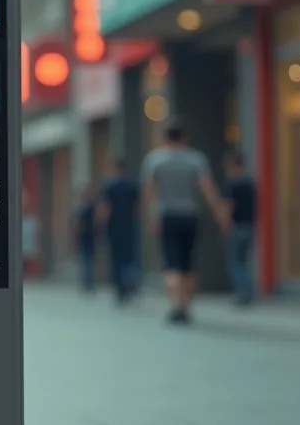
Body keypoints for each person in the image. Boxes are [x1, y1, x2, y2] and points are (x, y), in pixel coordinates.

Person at [140, 121, 230, 324]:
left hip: (167, 216)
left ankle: (176, 305)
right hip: (190, 216)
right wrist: (220, 212)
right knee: (188, 264)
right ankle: (186, 306)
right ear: (185, 136)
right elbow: (207, 189)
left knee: (172, 264)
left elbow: (149, 191)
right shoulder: (196, 159)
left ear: (165, 137)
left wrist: (150, 216)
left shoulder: (155, 160)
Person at [97, 158, 140, 302]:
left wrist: (101, 224)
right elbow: (137, 208)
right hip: (129, 226)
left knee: (116, 258)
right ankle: (131, 283)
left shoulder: (109, 186)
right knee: (130, 257)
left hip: (114, 227)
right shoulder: (132, 185)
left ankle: (120, 287)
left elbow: (105, 208)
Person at [222, 150, 256, 307]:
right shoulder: (249, 184)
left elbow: (229, 206)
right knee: (243, 260)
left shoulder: (232, 185)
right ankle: (247, 291)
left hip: (237, 226)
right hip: (249, 226)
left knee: (236, 261)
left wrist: (225, 223)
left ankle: (243, 293)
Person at [72, 184, 98, 294]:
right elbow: (75, 224)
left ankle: (89, 283)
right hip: (83, 237)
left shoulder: (91, 207)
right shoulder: (79, 207)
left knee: (89, 261)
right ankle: (85, 283)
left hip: (90, 237)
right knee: (84, 260)